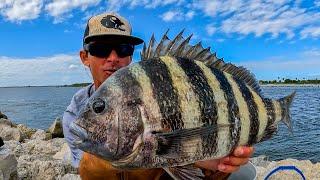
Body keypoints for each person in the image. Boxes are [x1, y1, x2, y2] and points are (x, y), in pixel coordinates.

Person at [62, 12, 254, 179]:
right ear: (85, 57)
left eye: (123, 49)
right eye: (100, 49)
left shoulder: (152, 85)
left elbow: (185, 146)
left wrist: (202, 160)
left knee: (226, 168)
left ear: (130, 56)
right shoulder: (76, 115)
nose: (113, 58)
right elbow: (89, 173)